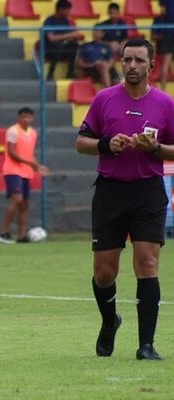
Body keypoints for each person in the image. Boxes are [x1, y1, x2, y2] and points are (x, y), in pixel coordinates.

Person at [75, 38, 174, 360]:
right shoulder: (104, 99)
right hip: (110, 191)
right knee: (105, 272)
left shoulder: (165, 104)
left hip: (148, 191)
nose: (132, 65)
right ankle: (109, 321)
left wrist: (155, 149)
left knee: (147, 263)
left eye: (138, 60)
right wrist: (106, 144)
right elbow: (81, 143)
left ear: (151, 65)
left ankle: (146, 345)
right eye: (127, 59)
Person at [0, 107, 49, 244]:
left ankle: (21, 235)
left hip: (26, 172)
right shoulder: (13, 131)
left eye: (29, 117)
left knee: (25, 204)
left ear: (32, 118)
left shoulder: (32, 133)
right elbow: (12, 153)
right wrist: (30, 164)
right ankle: (4, 233)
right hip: (13, 170)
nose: (26, 120)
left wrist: (37, 166)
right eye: (23, 117)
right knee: (17, 199)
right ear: (19, 118)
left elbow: (29, 154)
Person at [42, 0, 84, 80]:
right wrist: (69, 35)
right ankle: (50, 73)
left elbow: (69, 35)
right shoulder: (49, 21)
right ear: (61, 10)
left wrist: (75, 36)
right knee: (57, 46)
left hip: (62, 48)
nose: (69, 12)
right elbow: (51, 38)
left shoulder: (65, 21)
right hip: (50, 50)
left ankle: (70, 73)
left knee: (74, 45)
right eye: (68, 10)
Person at [151, 1, 174, 90]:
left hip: (168, 32)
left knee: (165, 64)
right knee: (165, 64)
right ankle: (163, 90)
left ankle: (163, 90)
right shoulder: (158, 19)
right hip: (168, 32)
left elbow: (164, 10)